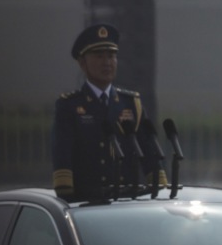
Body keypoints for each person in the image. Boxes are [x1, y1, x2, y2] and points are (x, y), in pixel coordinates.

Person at [52, 23, 166, 201]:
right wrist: (65, 187)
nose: (107, 63)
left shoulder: (131, 103)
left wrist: (159, 182)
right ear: (83, 63)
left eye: (111, 56)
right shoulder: (70, 106)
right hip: (86, 200)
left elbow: (147, 147)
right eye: (99, 56)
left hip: (126, 199)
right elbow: (62, 150)